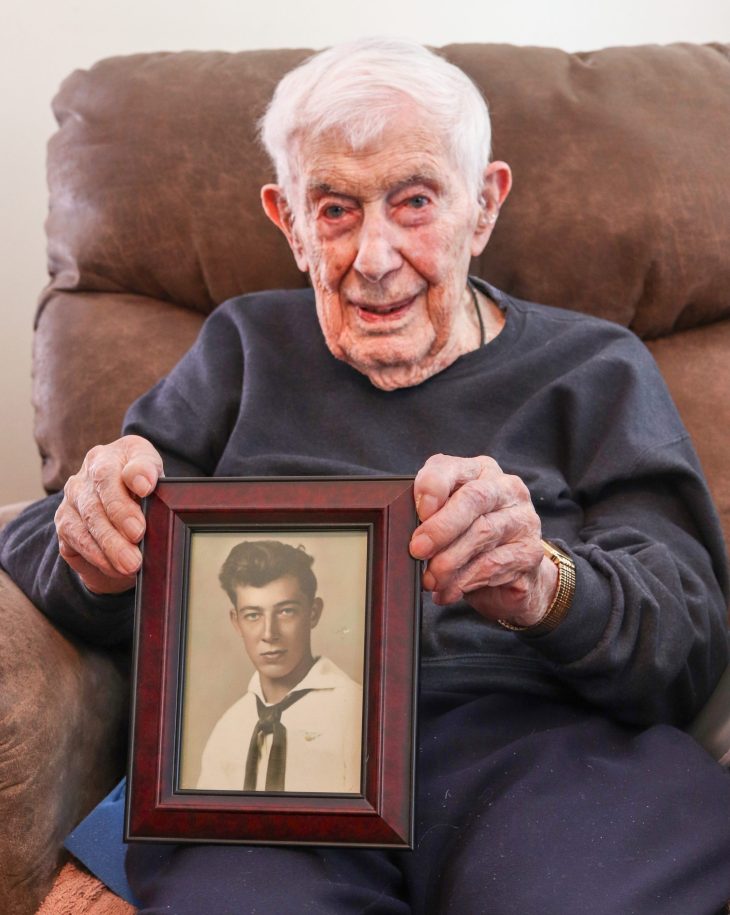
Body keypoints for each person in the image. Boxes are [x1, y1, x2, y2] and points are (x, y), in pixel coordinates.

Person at [1, 36, 730, 915]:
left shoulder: (596, 366)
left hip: (539, 742)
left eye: (415, 200)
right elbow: (57, 538)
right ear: (289, 223)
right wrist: (93, 541)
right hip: (277, 770)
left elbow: (688, 629)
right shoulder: (241, 349)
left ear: (484, 205)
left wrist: (545, 583)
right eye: (336, 209)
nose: (375, 257)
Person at [196, 539, 362, 793]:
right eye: (253, 615)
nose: (269, 633)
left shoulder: (356, 712)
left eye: (286, 611)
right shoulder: (228, 729)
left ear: (313, 612)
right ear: (236, 621)